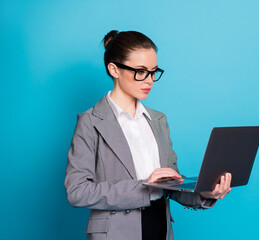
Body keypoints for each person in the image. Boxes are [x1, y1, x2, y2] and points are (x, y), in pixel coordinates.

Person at [64, 30, 232, 240]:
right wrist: (143, 186)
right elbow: (77, 191)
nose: (149, 80)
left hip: (160, 229)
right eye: (140, 71)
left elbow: (171, 185)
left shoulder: (158, 120)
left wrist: (205, 193)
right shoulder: (90, 122)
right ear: (114, 69)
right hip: (116, 234)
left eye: (153, 72)